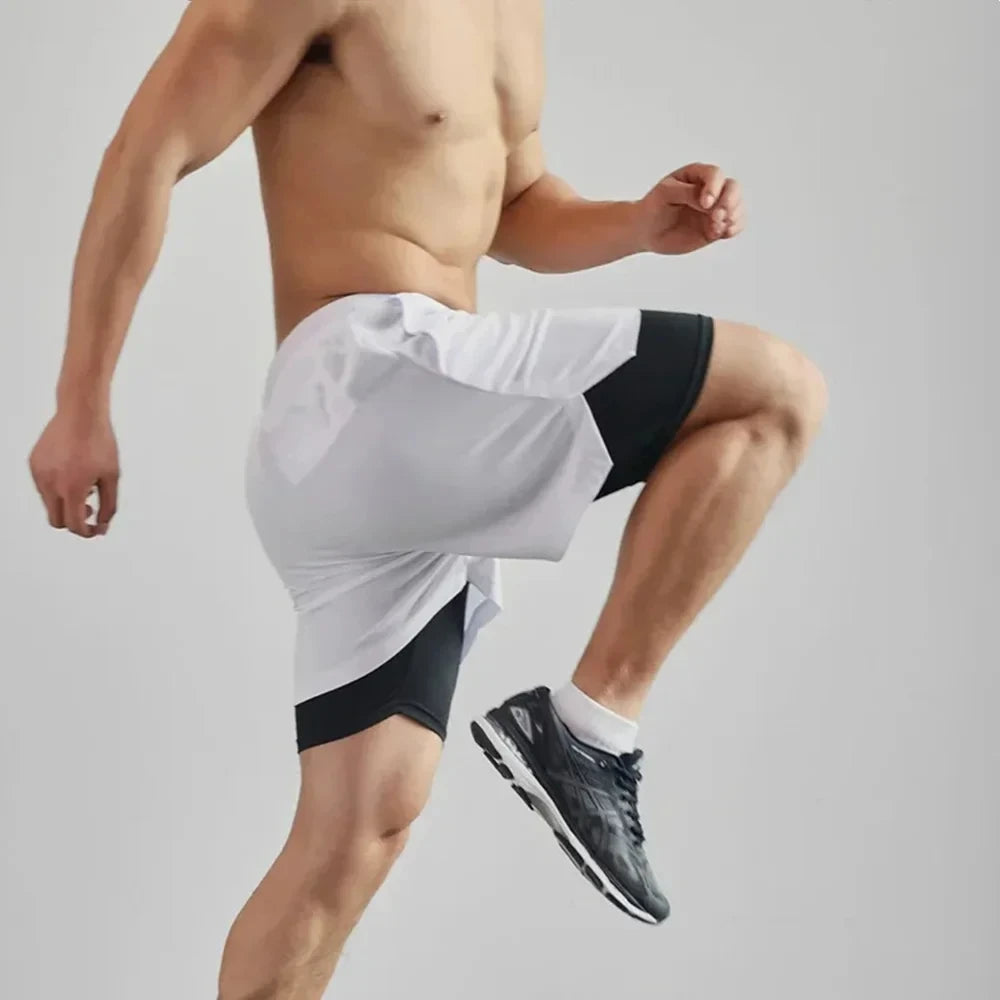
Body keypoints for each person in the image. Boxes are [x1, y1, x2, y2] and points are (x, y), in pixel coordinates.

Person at [27, 0, 828, 996]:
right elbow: (147, 150)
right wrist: (81, 404)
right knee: (775, 389)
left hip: (415, 433)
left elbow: (515, 205)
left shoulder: (510, 13)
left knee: (355, 840)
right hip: (368, 379)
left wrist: (635, 224)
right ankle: (591, 731)